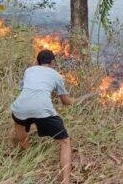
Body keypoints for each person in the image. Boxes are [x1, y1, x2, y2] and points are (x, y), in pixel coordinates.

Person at [11, 49, 94, 184]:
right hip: (42, 109)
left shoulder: (29, 70)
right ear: (53, 62)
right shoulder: (56, 75)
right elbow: (65, 101)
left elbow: (26, 88)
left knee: (19, 123)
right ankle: (65, 181)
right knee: (65, 142)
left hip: (20, 107)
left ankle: (26, 153)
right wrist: (78, 100)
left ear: (37, 62)